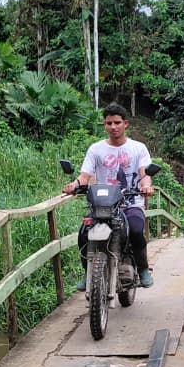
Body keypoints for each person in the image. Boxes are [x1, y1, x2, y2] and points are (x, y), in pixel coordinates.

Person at [62, 103, 155, 288]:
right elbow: (85, 176)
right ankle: (88, 273)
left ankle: (143, 269)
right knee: (83, 233)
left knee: (136, 231)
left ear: (125, 124)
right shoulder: (96, 149)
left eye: (117, 122)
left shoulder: (138, 148)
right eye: (109, 123)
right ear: (104, 125)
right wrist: (74, 184)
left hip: (130, 203)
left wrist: (146, 186)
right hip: (103, 204)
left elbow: (145, 173)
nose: (113, 127)